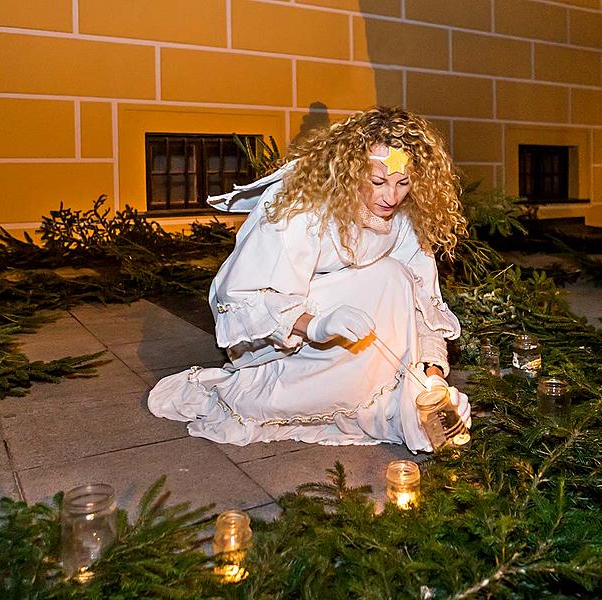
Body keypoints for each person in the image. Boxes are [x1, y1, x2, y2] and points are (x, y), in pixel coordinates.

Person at [148, 107, 471, 452]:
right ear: (351, 171)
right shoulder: (300, 206)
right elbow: (241, 298)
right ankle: (326, 395)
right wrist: (314, 325)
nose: (391, 197)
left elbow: (421, 301)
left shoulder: (403, 218)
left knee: (394, 277)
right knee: (386, 280)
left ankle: (383, 399)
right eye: (378, 182)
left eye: (402, 183)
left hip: (357, 333)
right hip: (279, 340)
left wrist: (433, 378)